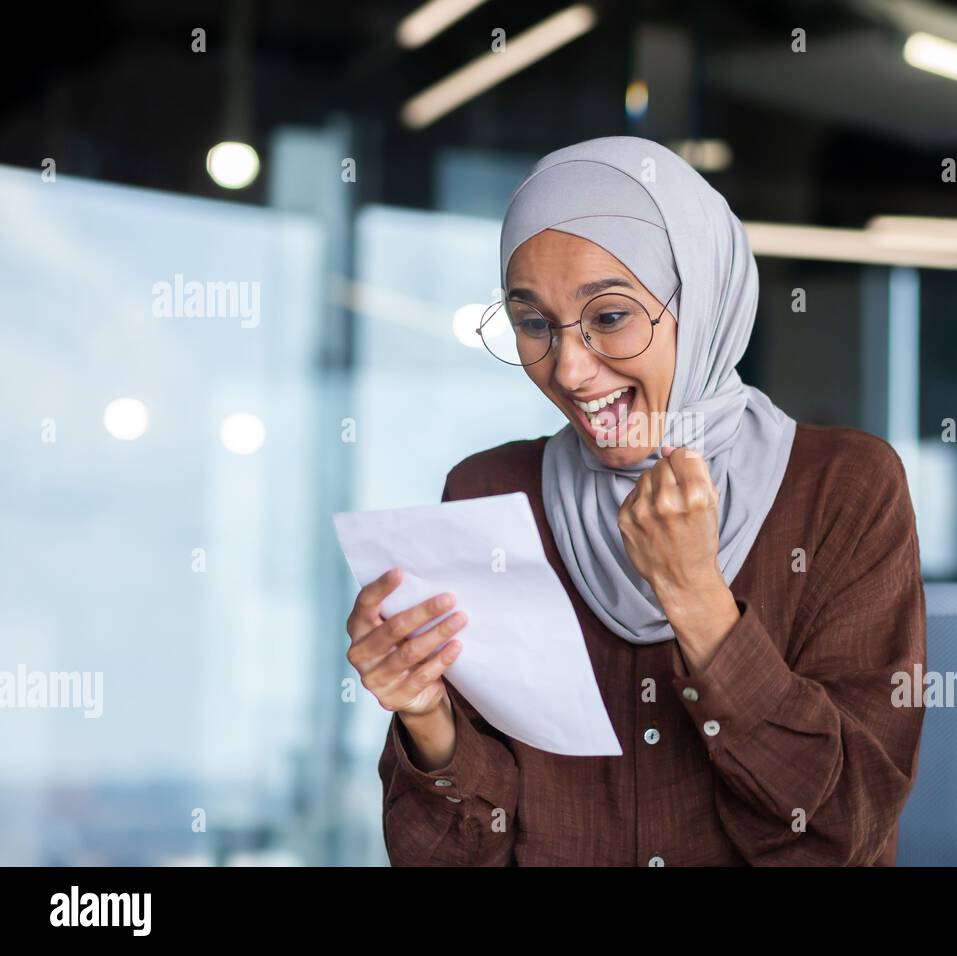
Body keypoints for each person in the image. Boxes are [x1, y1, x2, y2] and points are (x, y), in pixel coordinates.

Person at [345, 136, 927, 866]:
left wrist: (698, 599)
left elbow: (845, 828)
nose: (571, 368)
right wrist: (427, 718)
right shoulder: (490, 495)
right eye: (533, 324)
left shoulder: (844, 487)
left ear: (702, 300)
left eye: (611, 316)